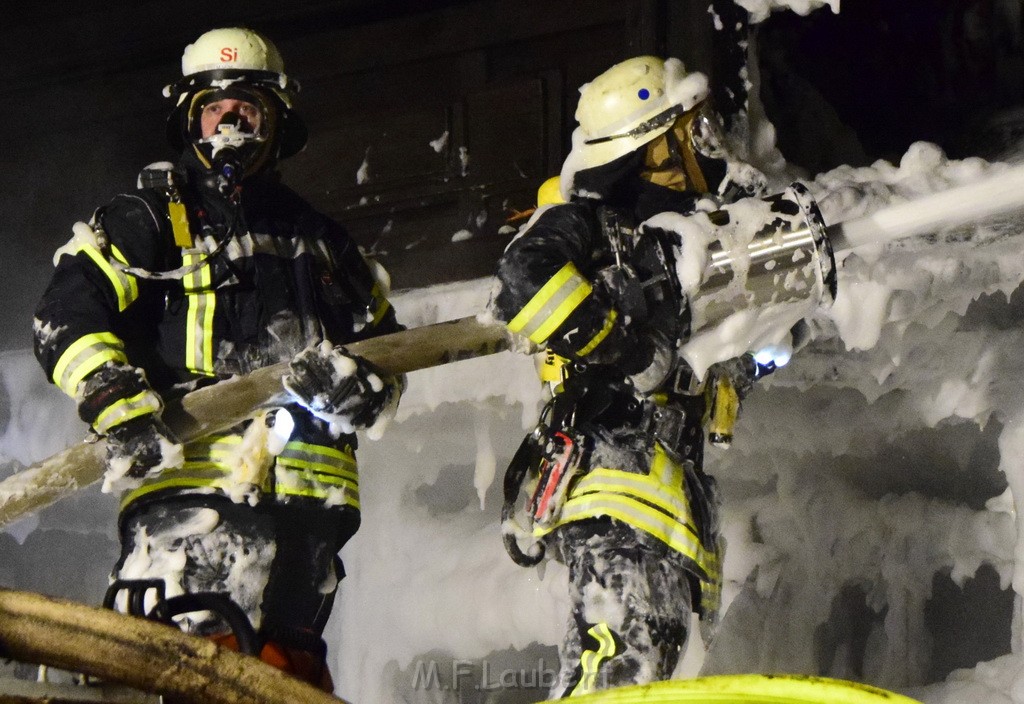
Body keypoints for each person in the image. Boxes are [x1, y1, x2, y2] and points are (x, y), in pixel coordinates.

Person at [32, 27, 402, 692]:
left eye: (248, 109)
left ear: (276, 123)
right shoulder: (148, 216)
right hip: (192, 499)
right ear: (189, 120)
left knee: (285, 680)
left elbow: (390, 347)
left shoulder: (315, 238)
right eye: (214, 108)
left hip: (309, 509)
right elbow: (65, 313)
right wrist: (115, 397)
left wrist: (367, 390)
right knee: (184, 668)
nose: (231, 122)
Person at [492, 55, 776, 697]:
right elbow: (522, 277)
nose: (706, 145)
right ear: (651, 150)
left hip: (670, 508)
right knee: (615, 672)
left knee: (647, 679)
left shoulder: (690, 241)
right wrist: (624, 350)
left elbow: (735, 358)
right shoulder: (591, 225)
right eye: (688, 132)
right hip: (614, 487)